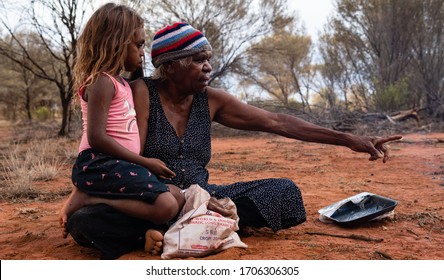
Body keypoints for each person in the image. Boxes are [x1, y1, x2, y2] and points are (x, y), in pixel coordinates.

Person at [64, 22, 402, 259]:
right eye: (198, 60)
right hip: (155, 198)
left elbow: (276, 122)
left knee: (284, 192)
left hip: (204, 196)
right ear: (170, 66)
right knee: (86, 223)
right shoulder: (141, 92)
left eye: (208, 58)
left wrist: (348, 139)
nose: (208, 67)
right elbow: (117, 148)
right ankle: (190, 227)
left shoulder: (212, 100)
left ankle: (184, 226)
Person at [58, 5, 185, 259]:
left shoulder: (122, 83)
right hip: (100, 162)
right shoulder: (102, 82)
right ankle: (88, 199)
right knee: (166, 204)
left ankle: (138, 231)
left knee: (177, 196)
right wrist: (145, 162)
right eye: (138, 45)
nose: (142, 53)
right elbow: (96, 138)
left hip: (118, 164)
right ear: (116, 43)